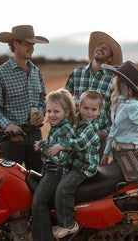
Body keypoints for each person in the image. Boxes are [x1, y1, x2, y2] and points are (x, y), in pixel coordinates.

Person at [0, 25, 49, 173]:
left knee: (38, 180)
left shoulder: (36, 72)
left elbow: (42, 98)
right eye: (28, 44)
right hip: (12, 139)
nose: (32, 48)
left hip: (35, 136)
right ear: (15, 43)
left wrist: (41, 112)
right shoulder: (0, 74)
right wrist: (8, 126)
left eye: (33, 44)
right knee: (9, 183)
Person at [49, 90, 102, 239]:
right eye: (86, 108)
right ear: (79, 107)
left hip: (84, 167)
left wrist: (61, 145)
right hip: (75, 162)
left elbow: (80, 143)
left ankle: (68, 224)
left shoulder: (91, 128)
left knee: (64, 187)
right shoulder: (78, 119)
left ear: (99, 111)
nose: (89, 112)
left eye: (93, 109)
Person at [64, 31, 122, 158]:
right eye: (99, 46)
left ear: (110, 58)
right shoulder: (76, 73)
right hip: (75, 134)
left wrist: (105, 133)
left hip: (99, 138)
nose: (100, 48)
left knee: (98, 175)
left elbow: (117, 112)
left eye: (105, 48)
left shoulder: (113, 81)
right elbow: (64, 102)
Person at [32, 89, 77, 241]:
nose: (51, 115)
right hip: (50, 169)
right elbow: (53, 146)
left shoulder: (66, 129)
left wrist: (43, 147)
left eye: (56, 111)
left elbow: (60, 158)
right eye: (49, 111)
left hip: (56, 171)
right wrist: (45, 144)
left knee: (38, 203)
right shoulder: (57, 127)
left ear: (67, 111)